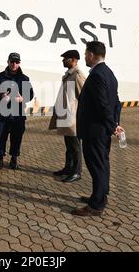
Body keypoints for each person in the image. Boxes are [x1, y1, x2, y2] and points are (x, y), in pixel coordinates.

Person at [72, 41, 123, 217]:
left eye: (86, 54)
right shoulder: (110, 74)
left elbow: (103, 105)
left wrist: (112, 126)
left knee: (96, 166)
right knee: (102, 164)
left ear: (92, 55)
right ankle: (100, 195)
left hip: (95, 131)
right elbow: (116, 102)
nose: (84, 57)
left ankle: (96, 205)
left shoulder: (97, 76)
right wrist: (115, 124)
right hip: (102, 130)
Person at [0, 52, 34, 170]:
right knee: (1, 138)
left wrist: (22, 98)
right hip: (2, 115)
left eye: (17, 62)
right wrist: (1, 95)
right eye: (12, 61)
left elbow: (30, 94)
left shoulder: (24, 78)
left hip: (18, 115)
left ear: (19, 63)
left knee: (16, 138)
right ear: (8, 62)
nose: (14, 64)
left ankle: (14, 159)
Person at [49, 50, 86, 183]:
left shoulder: (77, 75)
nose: (63, 60)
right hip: (66, 115)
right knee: (69, 145)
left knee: (75, 146)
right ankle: (68, 168)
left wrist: (80, 116)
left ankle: (76, 172)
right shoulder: (68, 75)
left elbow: (84, 97)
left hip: (73, 117)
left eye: (66, 58)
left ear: (74, 60)